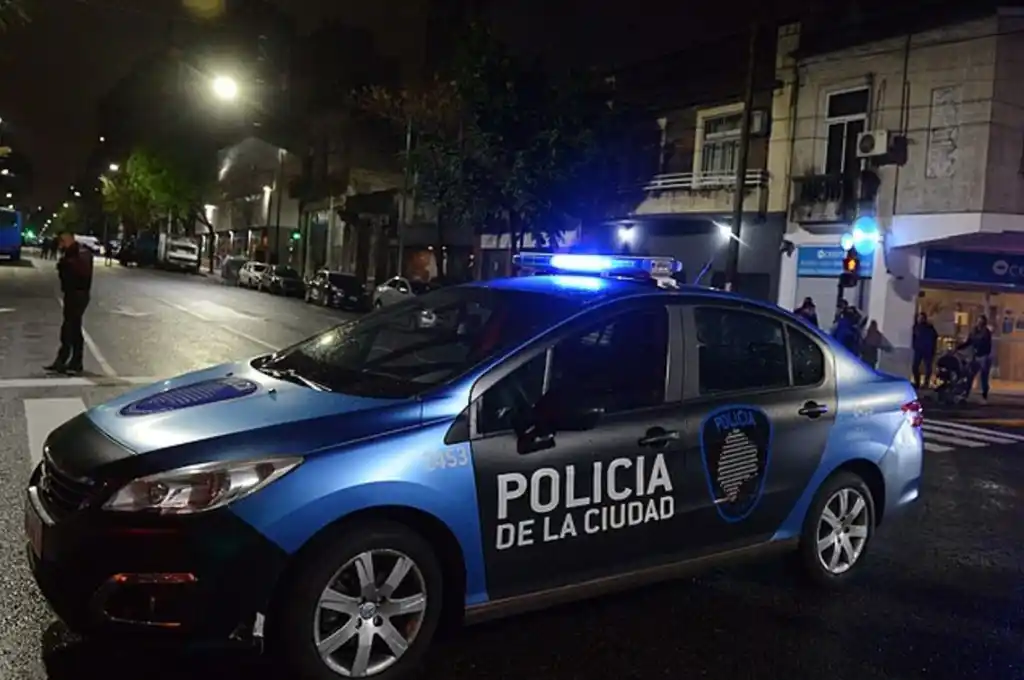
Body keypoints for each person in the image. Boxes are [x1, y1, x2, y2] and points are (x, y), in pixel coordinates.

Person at [43, 231, 93, 375]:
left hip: (78, 294)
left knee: (69, 328)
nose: (60, 245)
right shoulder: (70, 253)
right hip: (71, 294)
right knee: (73, 328)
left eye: (62, 242)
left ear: (68, 240)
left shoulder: (81, 253)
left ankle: (66, 360)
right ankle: (72, 362)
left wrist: (65, 265)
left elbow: (81, 272)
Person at [958, 315, 993, 401]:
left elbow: (982, 341)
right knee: (970, 375)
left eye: (981, 321)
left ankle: (984, 395)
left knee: (984, 376)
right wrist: (959, 347)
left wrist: (974, 341)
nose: (979, 323)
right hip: (976, 356)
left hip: (984, 356)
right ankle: (965, 394)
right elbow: (969, 341)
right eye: (978, 321)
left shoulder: (985, 332)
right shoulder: (974, 331)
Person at [912, 312, 939, 389]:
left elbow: (934, 338)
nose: (920, 319)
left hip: (927, 350)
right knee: (915, 367)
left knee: (927, 367)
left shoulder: (929, 328)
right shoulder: (916, 327)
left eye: (921, 318)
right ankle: (918, 383)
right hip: (919, 349)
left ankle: (925, 383)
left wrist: (933, 349)